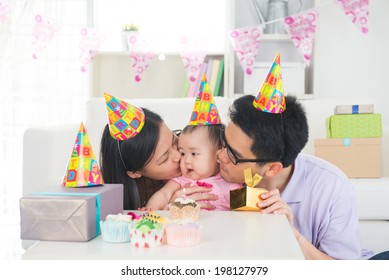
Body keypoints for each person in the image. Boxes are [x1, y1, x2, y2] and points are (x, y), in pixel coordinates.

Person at [217, 53, 389, 260]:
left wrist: (292, 235)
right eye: (222, 143)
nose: (219, 155)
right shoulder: (212, 169)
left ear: (272, 168)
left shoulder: (331, 188)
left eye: (232, 154)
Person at [100, 93, 217, 210]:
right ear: (135, 172)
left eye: (174, 141)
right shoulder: (107, 199)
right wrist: (167, 212)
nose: (179, 156)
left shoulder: (197, 145)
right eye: (165, 158)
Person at [146, 124, 241, 210]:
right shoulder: (181, 180)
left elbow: (245, 213)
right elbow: (163, 194)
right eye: (183, 153)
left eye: (194, 154)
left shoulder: (229, 182)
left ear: (218, 156)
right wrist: (151, 208)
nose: (186, 160)